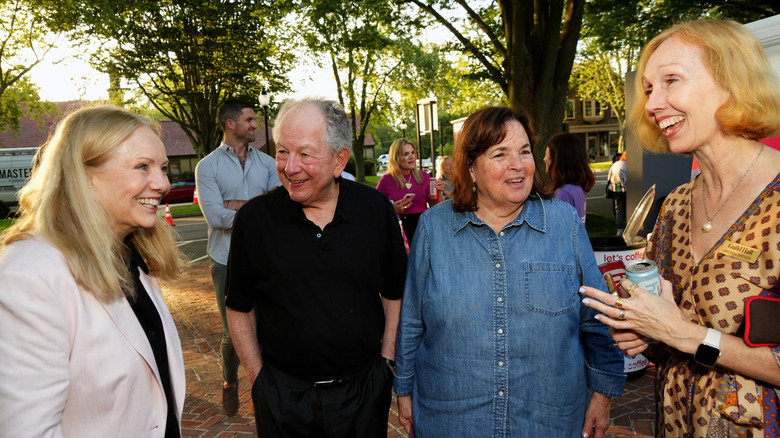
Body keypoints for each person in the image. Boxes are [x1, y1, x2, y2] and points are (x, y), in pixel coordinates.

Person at [579, 19, 780, 437]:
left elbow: (684, 331)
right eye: (649, 89)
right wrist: (643, 330)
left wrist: (684, 335)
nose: (653, 104)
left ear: (732, 82)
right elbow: (667, 325)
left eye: (671, 80)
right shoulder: (676, 204)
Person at [394, 106, 625, 438]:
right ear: (470, 168)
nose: (518, 165)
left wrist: (603, 394)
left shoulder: (564, 225)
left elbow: (597, 319)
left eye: (525, 151)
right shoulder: (434, 228)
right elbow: (412, 321)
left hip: (547, 423)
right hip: (454, 421)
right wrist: (404, 389)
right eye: (500, 154)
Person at [224, 97, 407, 437]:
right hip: (282, 398)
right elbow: (238, 307)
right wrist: (258, 378)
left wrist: (386, 363)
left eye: (305, 154)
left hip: (363, 394)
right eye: (282, 151)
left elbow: (394, 293)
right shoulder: (254, 219)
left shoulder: (374, 209)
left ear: (339, 160)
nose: (290, 167)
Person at [0, 105, 185, 437]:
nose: (163, 183)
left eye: (162, 168)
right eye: (142, 167)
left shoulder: (130, 256)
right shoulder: (29, 277)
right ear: (84, 175)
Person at [194, 99, 280, 415]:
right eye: (250, 120)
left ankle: (266, 390)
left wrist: (234, 205)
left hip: (264, 258)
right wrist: (257, 207)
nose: (256, 125)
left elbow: (277, 210)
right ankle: (230, 382)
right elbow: (216, 218)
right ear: (231, 124)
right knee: (233, 333)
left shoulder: (268, 164)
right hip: (225, 259)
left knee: (268, 327)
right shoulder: (207, 167)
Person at [376, 138, 441, 244]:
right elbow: (375, 210)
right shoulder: (386, 180)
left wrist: (438, 192)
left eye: (413, 153)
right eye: (406, 154)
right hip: (398, 231)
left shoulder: (424, 176)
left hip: (423, 228)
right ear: (396, 158)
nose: (411, 157)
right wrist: (393, 210)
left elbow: (435, 207)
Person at [543, 133, 596, 223]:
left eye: (546, 154)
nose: (544, 159)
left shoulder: (564, 193)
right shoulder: (577, 188)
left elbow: (559, 228)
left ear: (557, 160)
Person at [606, 151, 627, 233]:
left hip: (615, 189)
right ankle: (629, 228)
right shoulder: (627, 165)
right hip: (626, 189)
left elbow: (608, 178)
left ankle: (619, 230)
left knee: (618, 209)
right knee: (630, 207)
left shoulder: (615, 165)